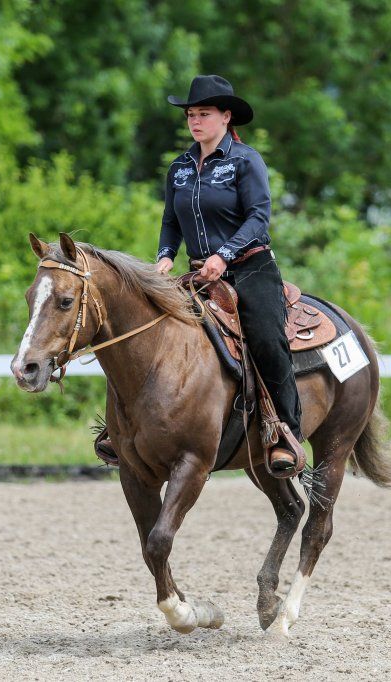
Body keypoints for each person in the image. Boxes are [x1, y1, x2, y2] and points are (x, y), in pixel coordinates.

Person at [157, 74, 303, 472]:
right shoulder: (180, 168)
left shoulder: (245, 160)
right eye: (190, 114)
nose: (195, 120)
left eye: (204, 113)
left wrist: (223, 254)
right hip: (198, 274)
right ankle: (135, 429)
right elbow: (171, 220)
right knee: (148, 331)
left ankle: (286, 431)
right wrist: (165, 257)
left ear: (225, 117)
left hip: (250, 268)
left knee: (268, 339)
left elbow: (259, 216)